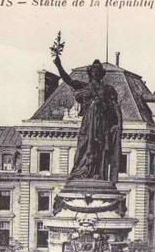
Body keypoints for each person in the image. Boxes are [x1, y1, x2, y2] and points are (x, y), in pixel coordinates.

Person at [52, 52, 122, 183]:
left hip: (102, 123)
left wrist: (117, 124)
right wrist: (59, 65)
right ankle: (81, 171)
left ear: (101, 74)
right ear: (90, 73)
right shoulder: (85, 86)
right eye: (93, 70)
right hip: (88, 122)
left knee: (100, 148)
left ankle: (98, 174)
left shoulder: (108, 89)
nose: (95, 73)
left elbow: (115, 107)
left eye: (98, 71)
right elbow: (69, 80)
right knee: (83, 146)